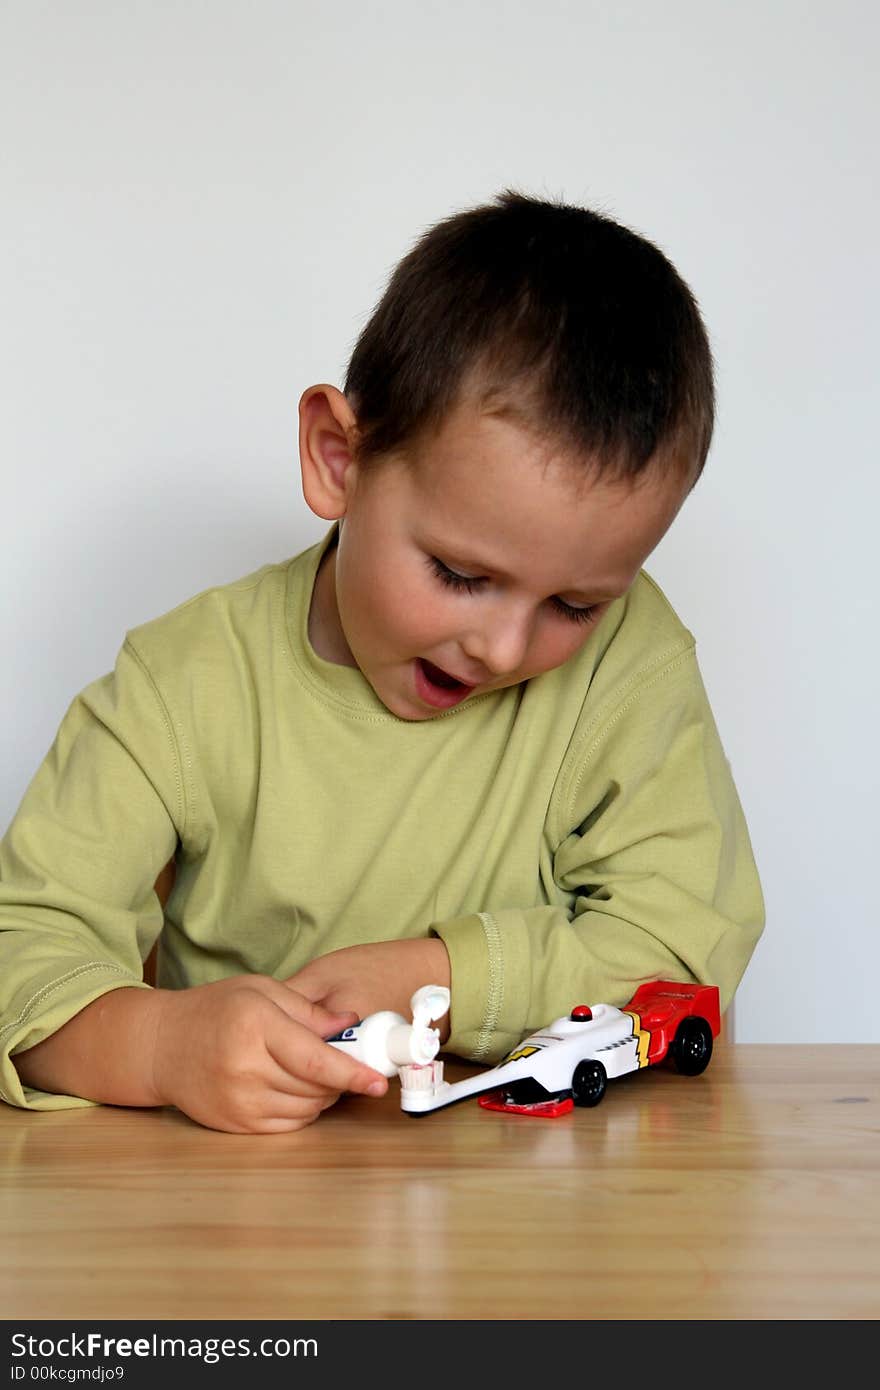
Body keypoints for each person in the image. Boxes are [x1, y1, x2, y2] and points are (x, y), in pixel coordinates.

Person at [0, 190, 764, 1134]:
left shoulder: (626, 663)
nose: (505, 648)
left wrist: (437, 974)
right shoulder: (182, 685)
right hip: (245, 1221)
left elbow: (689, 951)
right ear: (338, 459)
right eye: (459, 573)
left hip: (541, 1231)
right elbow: (21, 952)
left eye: (574, 605)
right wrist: (164, 1047)